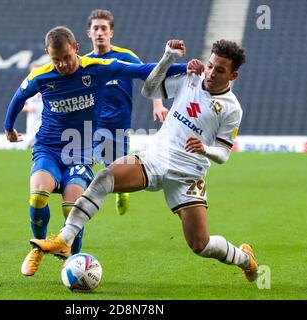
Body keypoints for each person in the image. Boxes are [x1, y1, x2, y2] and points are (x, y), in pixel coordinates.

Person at [32, 39, 260, 282]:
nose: (211, 73)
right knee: (106, 176)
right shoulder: (190, 77)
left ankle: (245, 259)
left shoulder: (231, 108)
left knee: (200, 244)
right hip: (155, 158)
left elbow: (223, 154)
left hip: (188, 175)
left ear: (233, 75)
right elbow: (149, 90)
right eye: (211, 65)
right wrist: (168, 58)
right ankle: (64, 240)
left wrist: (205, 149)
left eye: (220, 70)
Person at [3, 26, 188, 276]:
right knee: (37, 196)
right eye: (56, 60)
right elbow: (18, 98)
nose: (62, 65)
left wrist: (186, 68)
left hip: (79, 151)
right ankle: (37, 247)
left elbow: (142, 70)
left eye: (67, 57)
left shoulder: (96, 68)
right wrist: (9, 129)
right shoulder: (42, 75)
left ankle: (74, 260)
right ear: (49, 55)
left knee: (72, 208)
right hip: (47, 148)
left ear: (76, 49)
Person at [86, 9, 169, 216]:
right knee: (86, 162)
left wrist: (157, 105)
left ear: (111, 33)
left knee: (115, 170)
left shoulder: (125, 57)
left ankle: (121, 193)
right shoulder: (85, 62)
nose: (99, 33)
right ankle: (79, 205)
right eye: (95, 28)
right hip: (93, 126)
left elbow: (150, 77)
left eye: (103, 28)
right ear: (89, 33)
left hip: (119, 127)